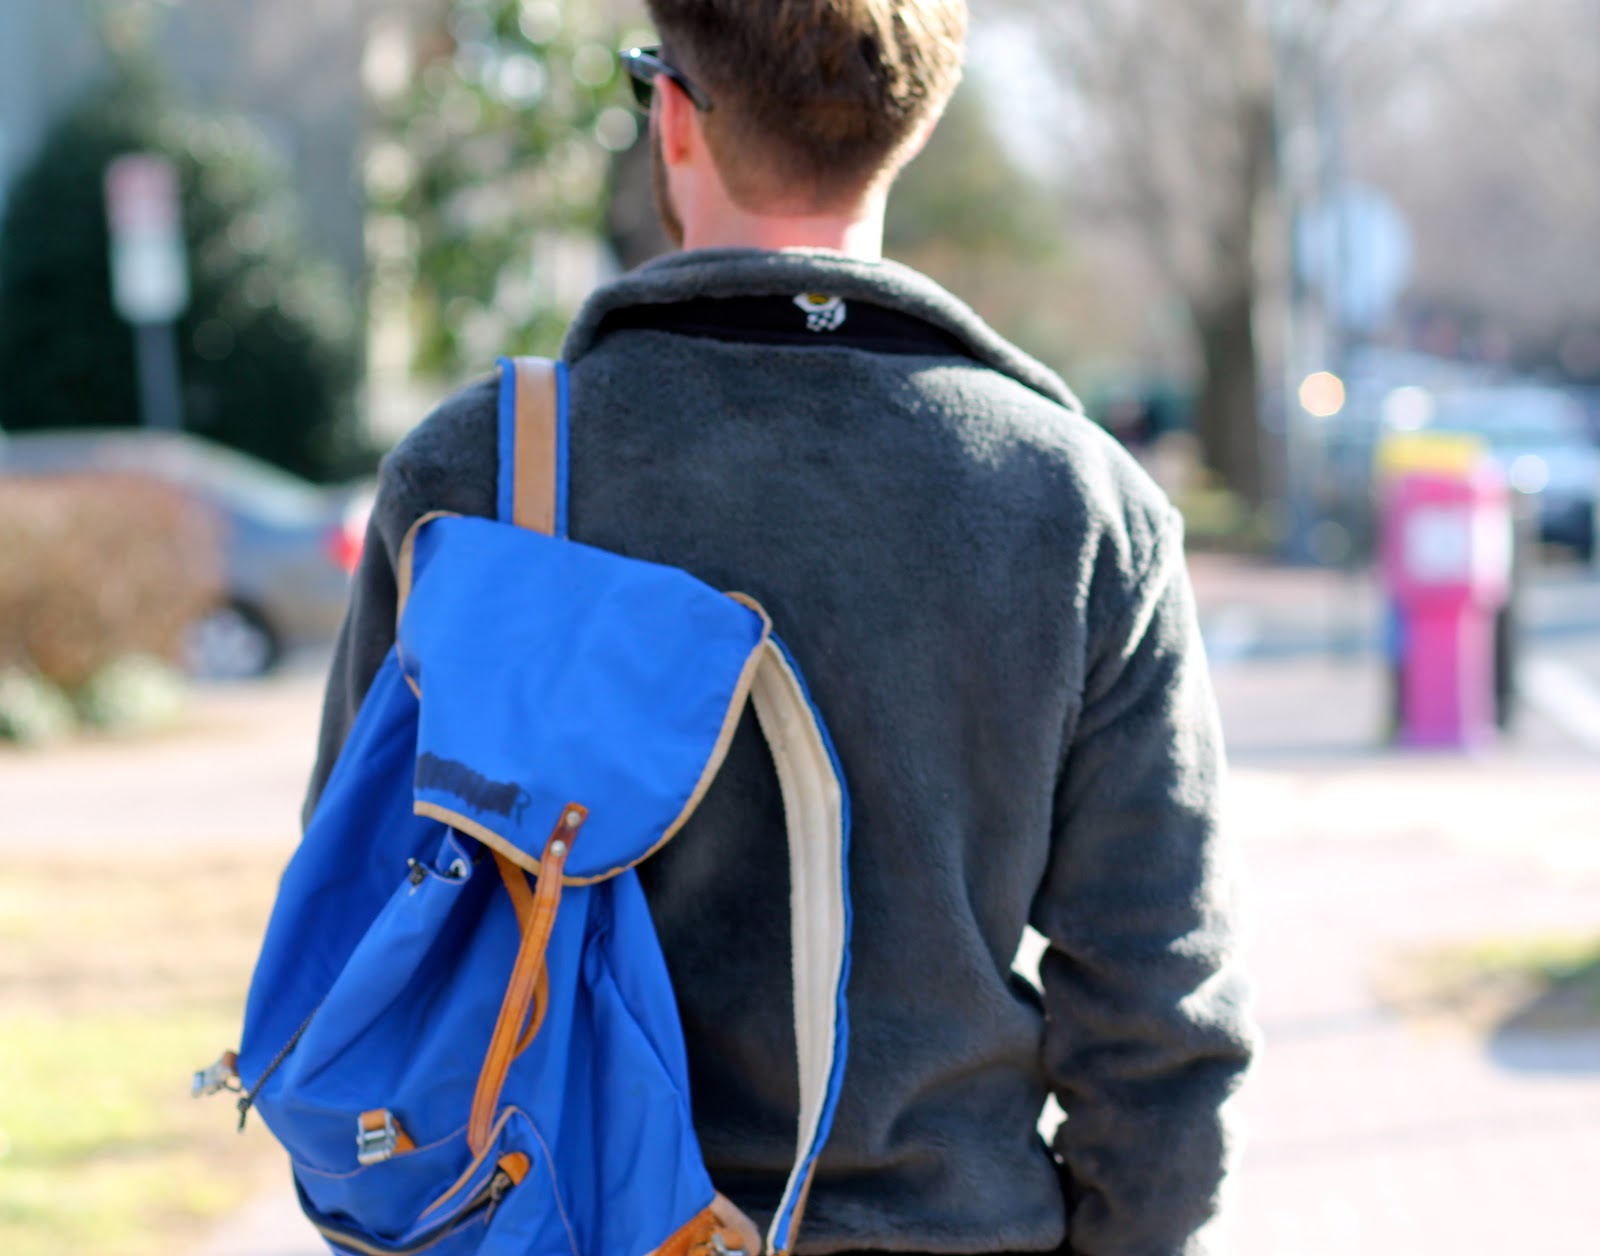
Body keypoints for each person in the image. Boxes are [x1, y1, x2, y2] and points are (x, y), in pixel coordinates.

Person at [305, 2, 1254, 1252]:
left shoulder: (478, 476)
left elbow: (357, 931)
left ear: (672, 113)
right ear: (917, 124)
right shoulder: (1078, 505)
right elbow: (1159, 1018)